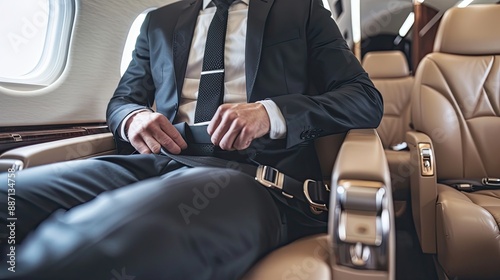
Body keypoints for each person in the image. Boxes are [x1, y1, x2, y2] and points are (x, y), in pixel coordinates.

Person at [0, 0, 383, 279]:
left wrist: (270, 112)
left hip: (251, 176)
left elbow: (363, 99)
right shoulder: (158, 22)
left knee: (118, 236)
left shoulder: (301, 10)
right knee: (10, 194)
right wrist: (134, 118)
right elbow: (122, 100)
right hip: (153, 160)